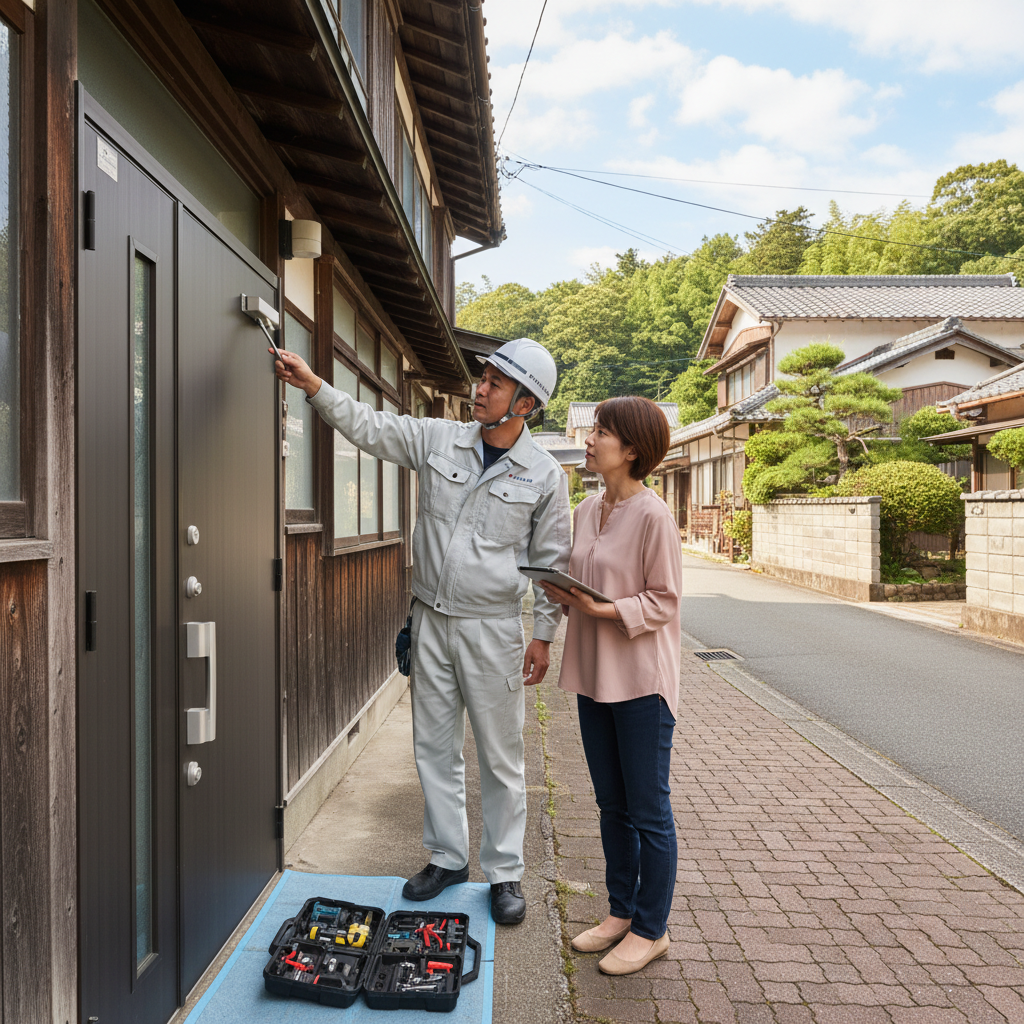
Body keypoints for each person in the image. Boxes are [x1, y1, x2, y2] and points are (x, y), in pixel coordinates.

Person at [273, 338, 570, 925]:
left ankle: (504, 872)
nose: (480, 389)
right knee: (433, 746)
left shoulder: (545, 474)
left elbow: (551, 561)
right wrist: (314, 386)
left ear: (525, 403)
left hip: (493, 629)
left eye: (495, 383)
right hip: (430, 619)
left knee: (501, 755)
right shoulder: (439, 439)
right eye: (483, 377)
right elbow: (372, 427)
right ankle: (448, 858)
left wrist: (543, 634)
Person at [539, 396, 680, 975]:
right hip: (594, 678)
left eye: (601, 432)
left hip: (642, 683)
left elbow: (664, 602)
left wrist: (600, 609)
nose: (590, 439)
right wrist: (561, 593)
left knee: (649, 810)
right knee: (611, 805)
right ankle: (621, 912)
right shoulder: (586, 509)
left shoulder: (654, 515)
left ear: (633, 450)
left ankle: (651, 929)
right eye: (592, 429)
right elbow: (585, 582)